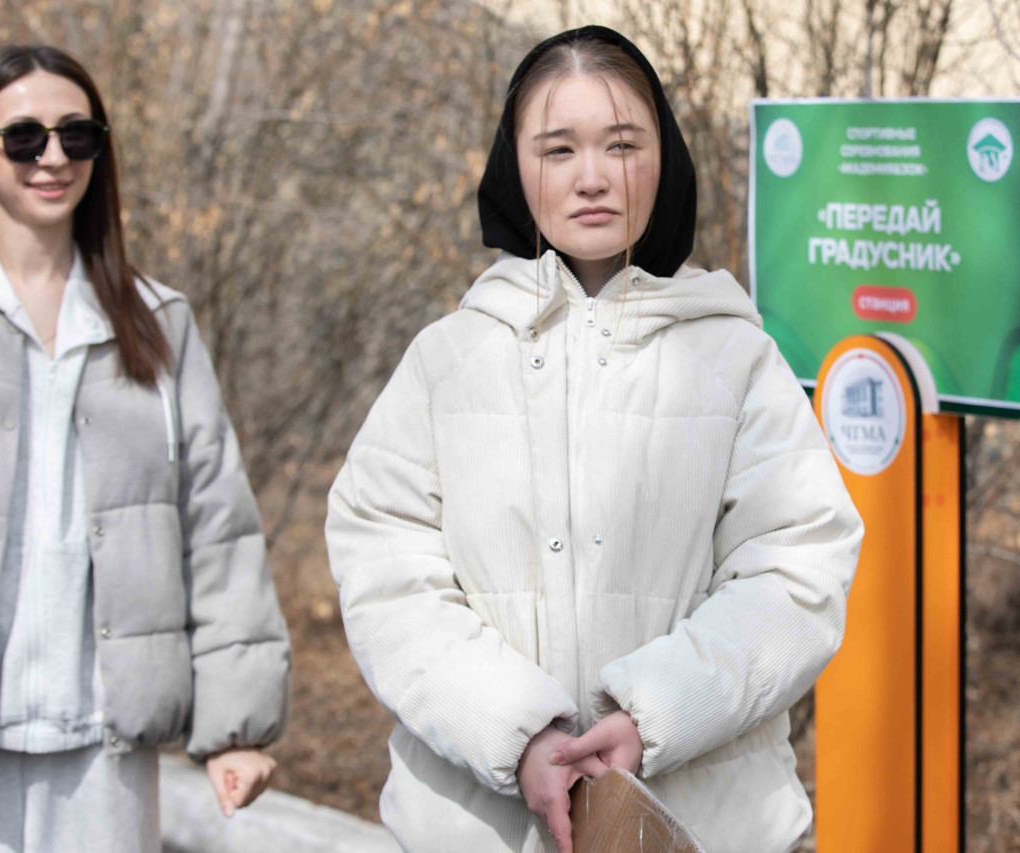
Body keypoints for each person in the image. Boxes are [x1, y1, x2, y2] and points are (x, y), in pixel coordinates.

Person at [326, 25, 862, 853]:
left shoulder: (737, 359)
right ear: (515, 167)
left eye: (622, 144)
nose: (593, 176)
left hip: (706, 825)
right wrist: (515, 731)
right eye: (558, 148)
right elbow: (385, 571)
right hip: (475, 830)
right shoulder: (447, 362)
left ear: (664, 159)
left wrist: (656, 714)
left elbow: (798, 569)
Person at [0, 44, 290, 852]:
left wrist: (237, 725)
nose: (53, 157)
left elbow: (217, 528)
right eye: (24, 137)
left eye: (76, 134)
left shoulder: (157, 321)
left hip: (104, 750)